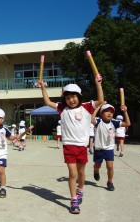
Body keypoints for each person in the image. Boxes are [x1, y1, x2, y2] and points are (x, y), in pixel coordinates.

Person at [39, 78, 103, 214]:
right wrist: (43, 89)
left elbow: (101, 100)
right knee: (72, 173)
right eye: (67, 97)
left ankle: (81, 189)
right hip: (68, 146)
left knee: (81, 173)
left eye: (73, 96)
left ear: (79, 96)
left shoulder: (86, 107)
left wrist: (98, 84)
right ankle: (73, 200)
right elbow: (48, 102)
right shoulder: (62, 109)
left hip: (82, 147)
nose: (71, 100)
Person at [91, 103, 131, 191]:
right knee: (97, 165)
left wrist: (125, 112)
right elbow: (92, 120)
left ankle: (110, 182)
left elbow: (128, 123)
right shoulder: (98, 121)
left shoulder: (114, 122)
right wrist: (97, 108)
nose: (109, 113)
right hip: (99, 148)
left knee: (110, 166)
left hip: (109, 148)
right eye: (106, 111)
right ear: (101, 114)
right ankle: (96, 171)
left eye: (111, 112)